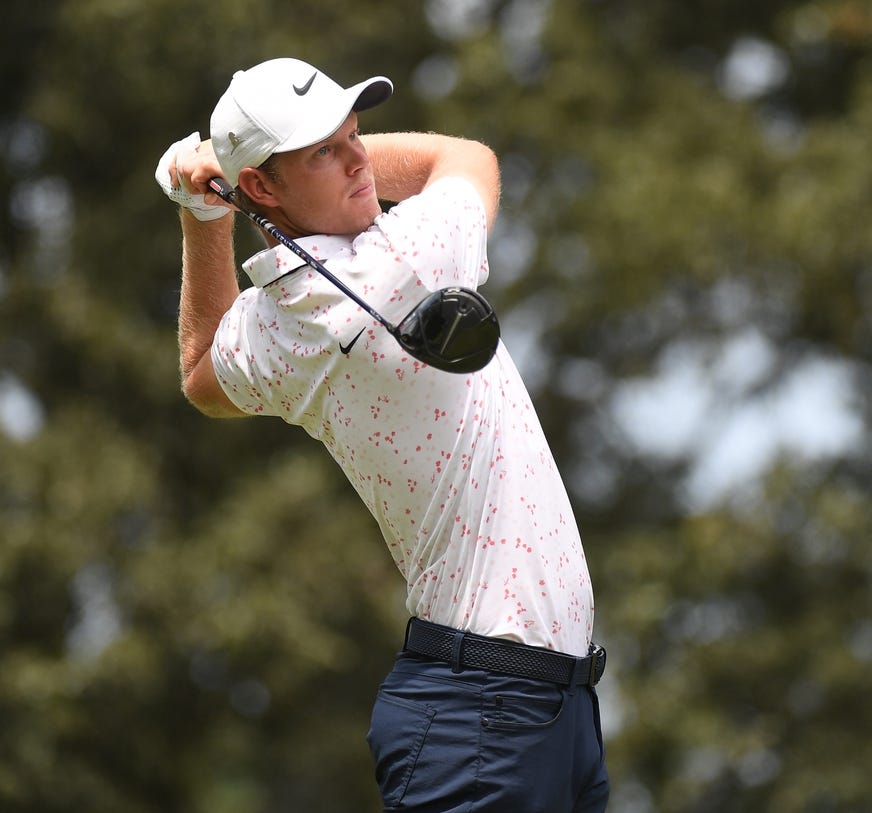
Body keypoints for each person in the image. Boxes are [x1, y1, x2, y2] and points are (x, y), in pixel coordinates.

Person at [154, 57, 609, 812]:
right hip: (485, 718)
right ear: (263, 190)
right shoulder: (407, 257)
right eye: (323, 152)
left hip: (533, 708)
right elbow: (465, 159)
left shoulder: (277, 327)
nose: (359, 158)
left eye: (353, 132)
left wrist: (204, 212)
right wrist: (225, 187)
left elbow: (201, 369)